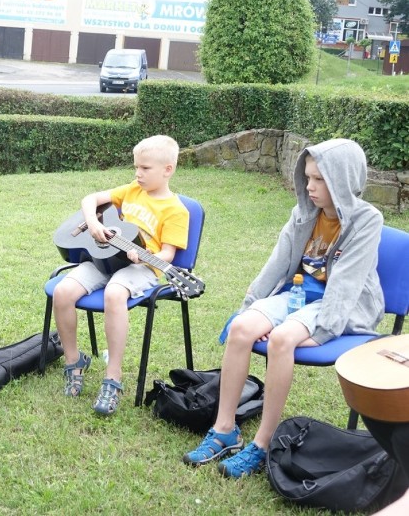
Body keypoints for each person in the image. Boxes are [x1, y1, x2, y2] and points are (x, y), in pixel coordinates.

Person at [182, 138, 384, 479]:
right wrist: (250, 307)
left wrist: (320, 333)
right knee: (241, 329)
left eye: (320, 179)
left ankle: (261, 445)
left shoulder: (367, 220)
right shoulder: (303, 213)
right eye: (308, 177)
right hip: (299, 292)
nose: (310, 187)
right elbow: (276, 265)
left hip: (340, 303)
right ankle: (225, 429)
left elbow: (345, 286)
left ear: (344, 179)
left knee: (281, 340)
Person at [52, 134, 189, 416]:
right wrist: (92, 223)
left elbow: (167, 255)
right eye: (136, 167)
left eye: (145, 168)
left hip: (142, 267)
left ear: (168, 170)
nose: (138, 173)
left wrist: (143, 256)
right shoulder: (130, 190)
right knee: (63, 291)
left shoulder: (176, 210)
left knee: (115, 293)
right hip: (105, 259)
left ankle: (112, 378)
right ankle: (74, 361)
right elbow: (91, 199)